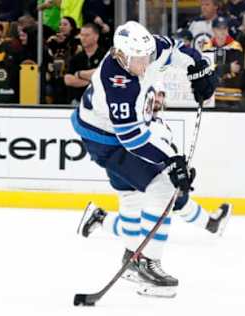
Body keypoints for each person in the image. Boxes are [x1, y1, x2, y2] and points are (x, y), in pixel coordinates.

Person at [71, 21, 227, 298]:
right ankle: (147, 263)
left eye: (146, 57)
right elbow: (131, 138)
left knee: (132, 197)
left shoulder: (149, 48)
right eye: (136, 60)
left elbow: (181, 51)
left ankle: (131, 258)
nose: (144, 64)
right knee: (165, 186)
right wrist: (172, 161)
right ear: (119, 55)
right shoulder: (116, 82)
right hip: (105, 139)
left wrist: (200, 69)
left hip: (112, 132)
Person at [78, 84, 231, 249]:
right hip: (126, 165)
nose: (158, 98)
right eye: (155, 94)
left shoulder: (159, 123)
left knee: (134, 227)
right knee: (171, 195)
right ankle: (210, 223)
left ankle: (100, 218)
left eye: (162, 95)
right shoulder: (138, 117)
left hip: (122, 168)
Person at [202, 16, 244, 108]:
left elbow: (237, 69)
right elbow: (206, 72)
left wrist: (216, 69)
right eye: (219, 28)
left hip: (232, 97)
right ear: (213, 30)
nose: (222, 31)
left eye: (224, 28)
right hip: (212, 98)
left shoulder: (235, 47)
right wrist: (228, 67)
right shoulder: (207, 48)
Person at [64, 23, 106, 104]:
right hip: (78, 102)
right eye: (82, 35)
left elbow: (103, 74)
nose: (83, 38)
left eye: (87, 35)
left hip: (101, 103)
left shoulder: (105, 56)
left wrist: (79, 74)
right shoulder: (76, 58)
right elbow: (68, 79)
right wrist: (92, 81)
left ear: (96, 37)